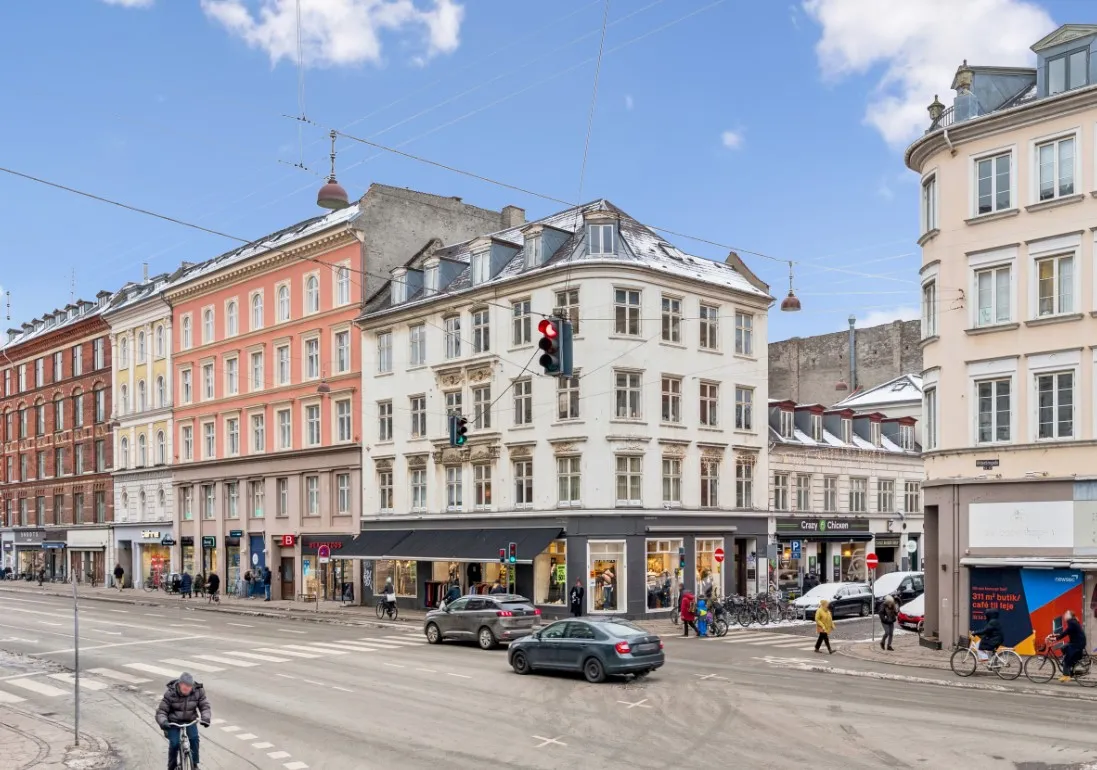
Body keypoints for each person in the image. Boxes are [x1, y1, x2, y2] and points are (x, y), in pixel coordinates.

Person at [155, 671, 211, 770]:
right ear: (180, 684)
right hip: (173, 722)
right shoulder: (170, 693)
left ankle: (194, 764)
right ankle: (172, 767)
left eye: (189, 687)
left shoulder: (198, 691)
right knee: (174, 743)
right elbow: (161, 711)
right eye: (185, 687)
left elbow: (204, 706)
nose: (187, 690)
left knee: (194, 739)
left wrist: (205, 718)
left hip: (190, 720)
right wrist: (163, 722)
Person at [1052, 610, 1087, 681]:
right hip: (1077, 643)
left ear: (1070, 615)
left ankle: (1066, 675)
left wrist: (1056, 638)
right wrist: (1056, 636)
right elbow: (1067, 631)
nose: (1065, 615)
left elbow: (1066, 632)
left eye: (1066, 614)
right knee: (1063, 648)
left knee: (1066, 658)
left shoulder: (1072, 622)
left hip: (1077, 644)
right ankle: (1070, 668)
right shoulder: (1073, 622)